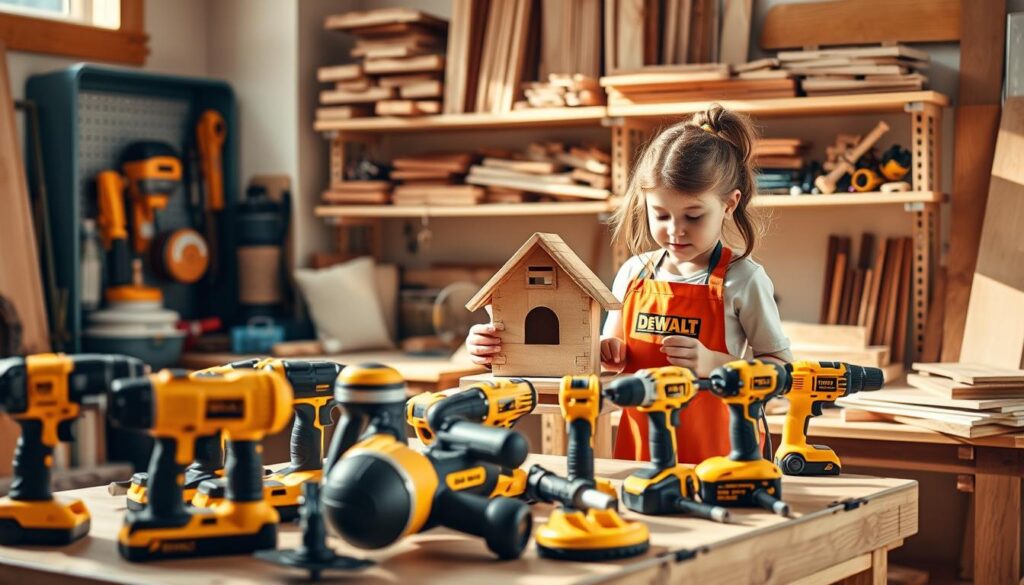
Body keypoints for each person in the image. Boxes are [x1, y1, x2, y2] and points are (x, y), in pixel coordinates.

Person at [466, 104, 793, 463]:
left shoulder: (743, 280)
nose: (675, 229)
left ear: (729, 205)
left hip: (724, 456)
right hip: (640, 454)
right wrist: (604, 351)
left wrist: (716, 363)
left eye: (694, 216)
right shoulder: (635, 274)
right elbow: (604, 357)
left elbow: (782, 373)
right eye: (661, 215)